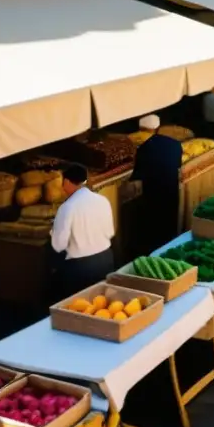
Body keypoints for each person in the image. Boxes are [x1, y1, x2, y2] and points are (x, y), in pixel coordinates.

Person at [50, 165, 115, 302]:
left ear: (67, 182)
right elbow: (110, 232)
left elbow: (58, 245)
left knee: (80, 306)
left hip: (81, 268)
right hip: (106, 261)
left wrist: (53, 232)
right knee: (102, 303)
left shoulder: (67, 207)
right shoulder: (102, 200)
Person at [129, 114, 184, 254]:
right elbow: (177, 165)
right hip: (172, 192)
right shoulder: (175, 144)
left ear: (141, 129)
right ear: (158, 128)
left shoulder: (143, 148)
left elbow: (137, 176)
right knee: (169, 227)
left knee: (154, 233)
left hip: (153, 197)